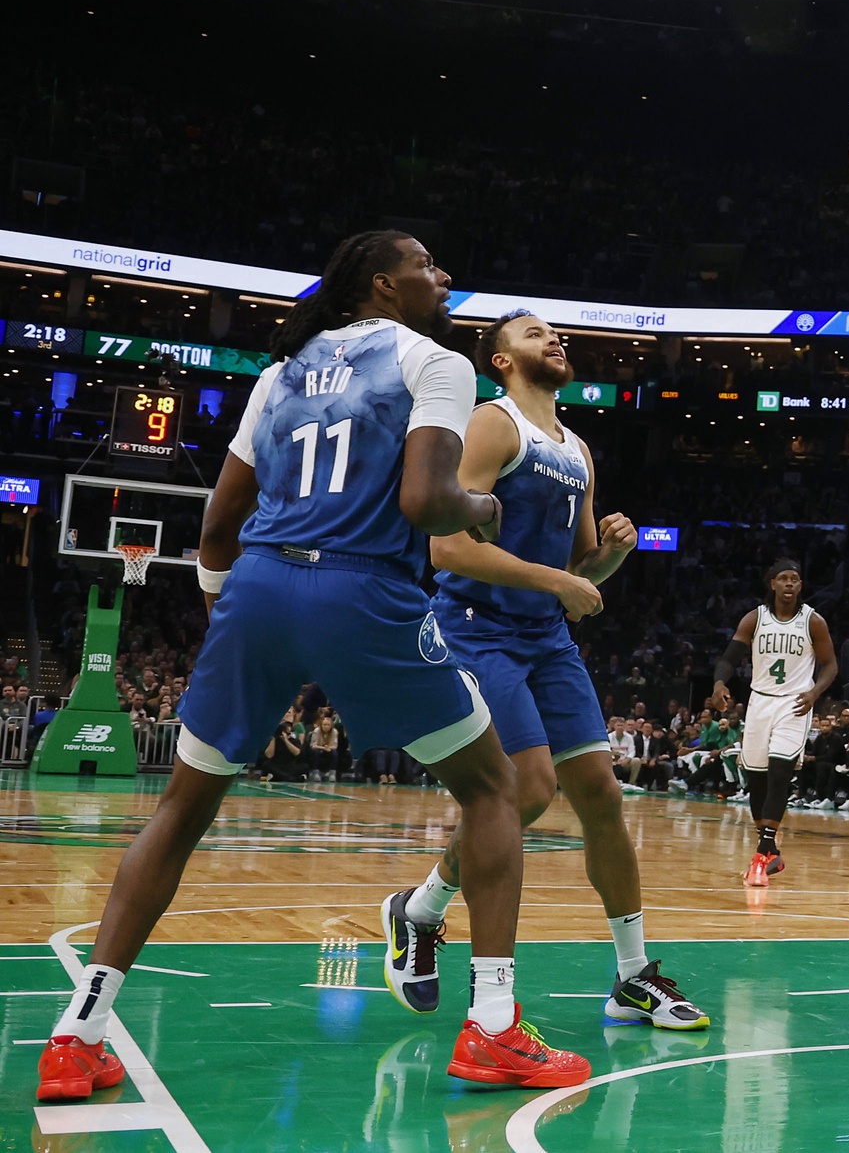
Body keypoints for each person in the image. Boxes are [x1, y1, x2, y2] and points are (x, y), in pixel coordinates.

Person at [37, 232, 588, 1104]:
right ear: (384, 284)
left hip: (258, 585)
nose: (444, 277)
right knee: (496, 790)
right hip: (364, 594)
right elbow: (424, 503)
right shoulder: (434, 364)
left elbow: (217, 527)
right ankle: (491, 1028)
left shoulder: (278, 375)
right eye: (427, 267)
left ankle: (76, 1036)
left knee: (180, 812)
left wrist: (230, 607)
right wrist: (481, 505)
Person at [381, 310, 705, 1032]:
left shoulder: (579, 449)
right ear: (500, 360)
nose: (552, 339)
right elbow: (447, 549)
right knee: (526, 789)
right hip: (475, 627)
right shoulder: (491, 423)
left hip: (545, 636)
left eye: (555, 333)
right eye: (533, 334)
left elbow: (578, 571)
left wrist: (611, 558)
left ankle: (631, 977)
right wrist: (556, 584)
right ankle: (425, 911)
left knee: (600, 795)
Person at [726, 561, 838, 883]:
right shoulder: (754, 619)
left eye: (795, 579)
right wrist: (720, 684)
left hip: (795, 703)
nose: (789, 584)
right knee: (757, 781)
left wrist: (815, 692)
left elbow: (830, 664)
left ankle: (763, 851)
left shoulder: (813, 621)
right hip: (759, 701)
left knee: (780, 771)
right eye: (783, 579)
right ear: (772, 583)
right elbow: (728, 658)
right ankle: (771, 852)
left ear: (800, 585)